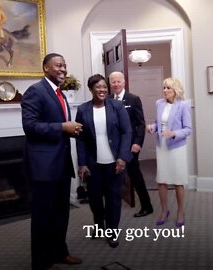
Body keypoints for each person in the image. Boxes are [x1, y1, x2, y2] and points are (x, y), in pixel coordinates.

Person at [21, 53, 83, 270]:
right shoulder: (35, 91)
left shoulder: (60, 94)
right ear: (45, 68)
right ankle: (41, 262)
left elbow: (58, 124)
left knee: (60, 214)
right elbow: (30, 126)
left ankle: (60, 252)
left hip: (62, 165)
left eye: (65, 65)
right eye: (58, 65)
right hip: (43, 167)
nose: (63, 69)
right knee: (43, 217)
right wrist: (62, 127)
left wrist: (71, 130)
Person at [76, 74, 132, 248]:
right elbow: (81, 139)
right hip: (93, 163)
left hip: (114, 162)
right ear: (91, 89)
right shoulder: (83, 109)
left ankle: (112, 231)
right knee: (94, 198)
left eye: (104, 87)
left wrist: (123, 157)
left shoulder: (117, 106)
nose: (102, 90)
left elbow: (127, 132)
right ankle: (99, 225)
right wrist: (82, 163)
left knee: (113, 198)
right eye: (98, 87)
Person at [146, 77, 192, 228]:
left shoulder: (183, 105)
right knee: (162, 179)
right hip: (162, 147)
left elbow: (188, 129)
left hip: (177, 147)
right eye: (164, 88)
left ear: (175, 90)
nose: (165, 91)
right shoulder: (159, 104)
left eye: (168, 88)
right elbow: (159, 124)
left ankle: (180, 212)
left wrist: (174, 133)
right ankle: (164, 210)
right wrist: (152, 127)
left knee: (178, 181)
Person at [108, 71, 153, 217]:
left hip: (131, 144)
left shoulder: (133, 99)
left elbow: (140, 123)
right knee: (114, 173)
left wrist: (138, 143)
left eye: (118, 81)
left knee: (134, 174)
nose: (115, 84)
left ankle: (147, 206)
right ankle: (115, 205)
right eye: (113, 82)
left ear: (124, 82)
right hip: (114, 145)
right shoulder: (107, 99)